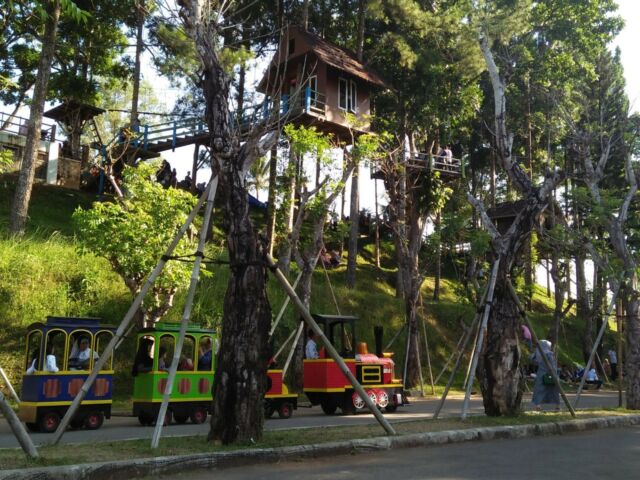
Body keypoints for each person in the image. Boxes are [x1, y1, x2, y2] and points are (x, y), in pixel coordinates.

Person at [530, 339, 559, 411]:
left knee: (539, 390)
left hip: (541, 374)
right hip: (550, 373)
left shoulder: (538, 354)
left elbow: (532, 360)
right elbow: (553, 365)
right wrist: (555, 373)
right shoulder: (549, 354)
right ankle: (557, 406)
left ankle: (538, 405)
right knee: (553, 390)